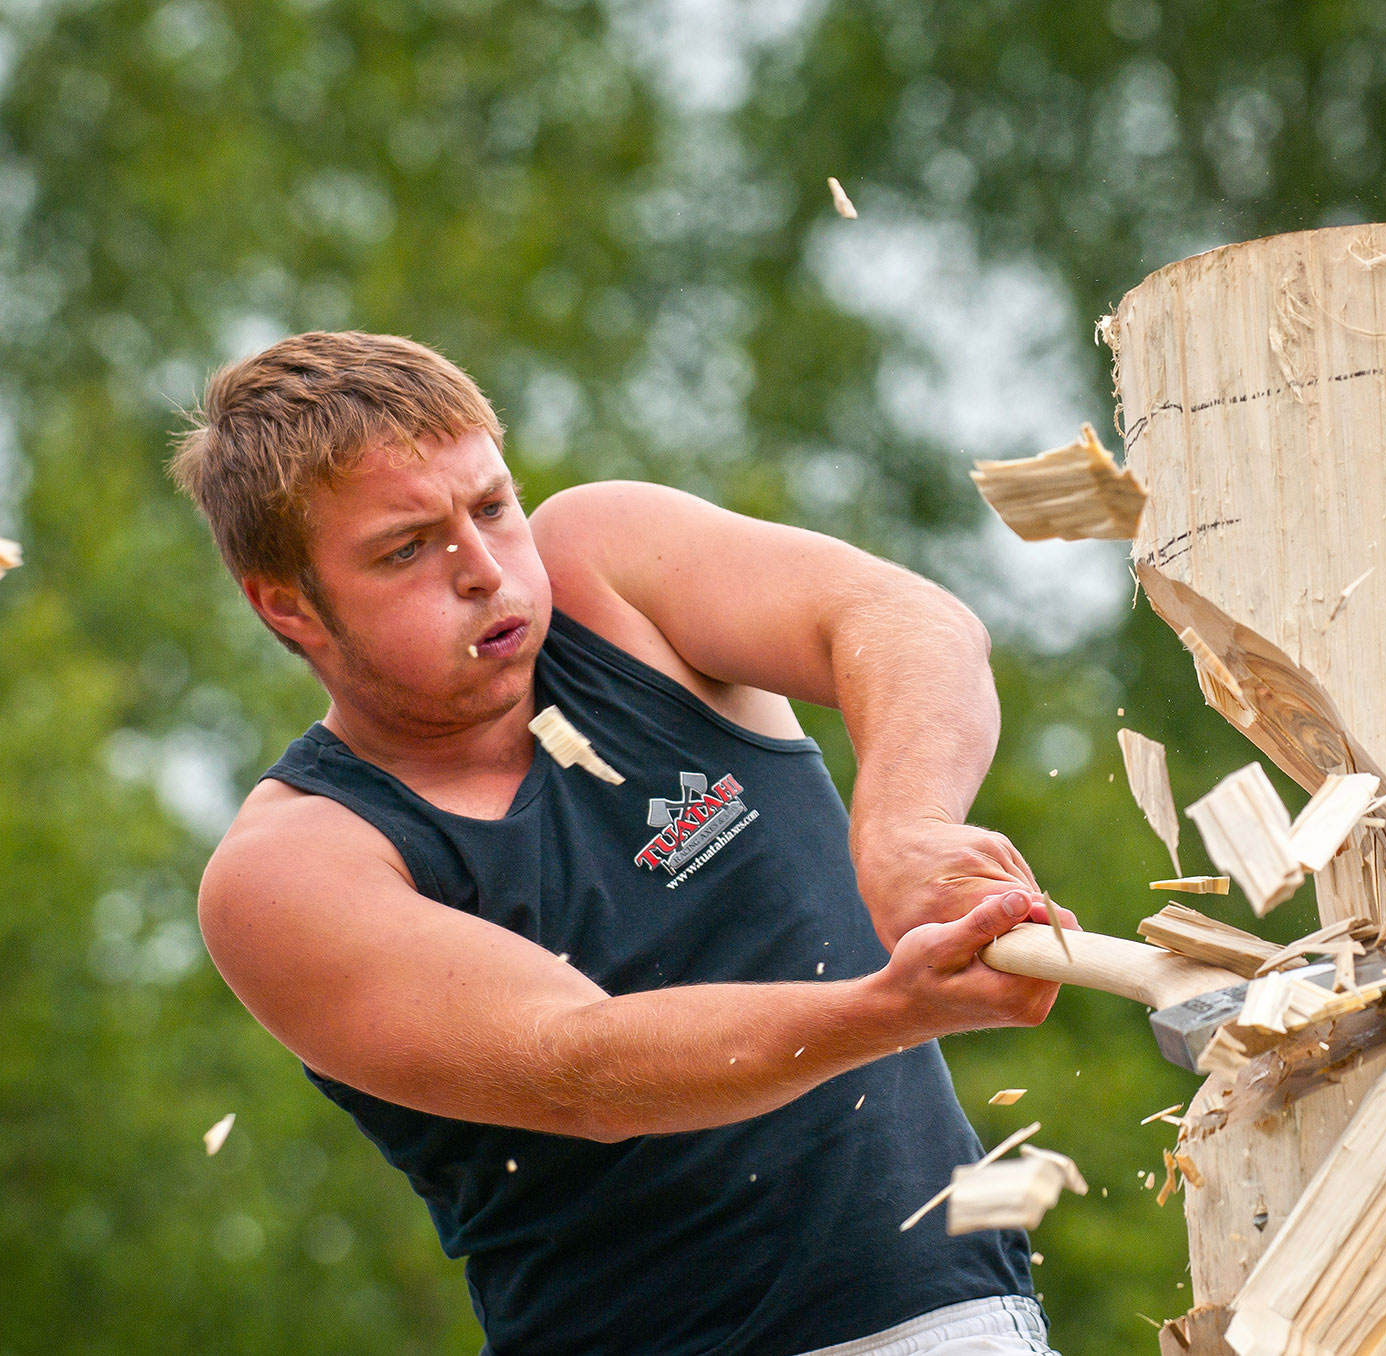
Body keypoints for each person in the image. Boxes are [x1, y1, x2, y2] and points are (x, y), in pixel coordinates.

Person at [170, 331, 1079, 1356]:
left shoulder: (609, 568)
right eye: (406, 549)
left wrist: (906, 829)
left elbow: (905, 620)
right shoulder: (292, 868)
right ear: (288, 606)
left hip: (950, 1319)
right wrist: (889, 1009)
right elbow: (581, 1067)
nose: (483, 572)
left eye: (490, 507)